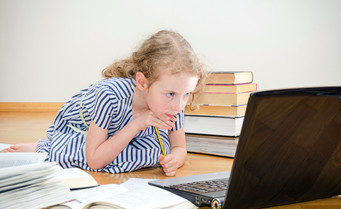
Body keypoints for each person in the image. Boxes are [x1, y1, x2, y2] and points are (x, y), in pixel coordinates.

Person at [4, 30, 208, 176]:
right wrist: (138, 124)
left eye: (187, 94)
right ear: (142, 82)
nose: (179, 105)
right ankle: (45, 148)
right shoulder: (109, 96)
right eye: (171, 93)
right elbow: (94, 160)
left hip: (124, 132)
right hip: (83, 126)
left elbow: (179, 146)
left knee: (153, 154)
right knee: (100, 155)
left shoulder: (174, 102)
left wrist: (176, 159)